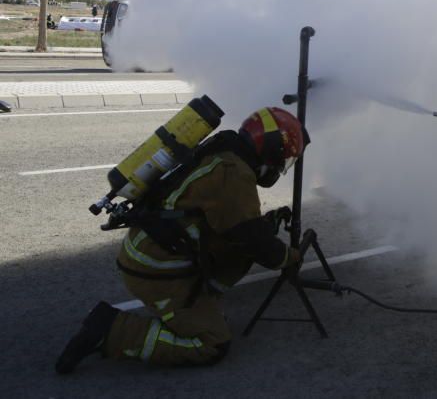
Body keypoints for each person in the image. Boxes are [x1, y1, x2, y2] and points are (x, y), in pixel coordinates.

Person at [56, 107, 308, 373]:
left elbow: (234, 226)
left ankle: (200, 303)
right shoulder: (233, 174)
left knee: (244, 244)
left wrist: (264, 228)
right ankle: (110, 330)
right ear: (270, 151)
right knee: (212, 344)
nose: (279, 167)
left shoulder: (225, 152)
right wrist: (291, 257)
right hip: (155, 269)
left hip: (150, 251)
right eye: (283, 159)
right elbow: (256, 243)